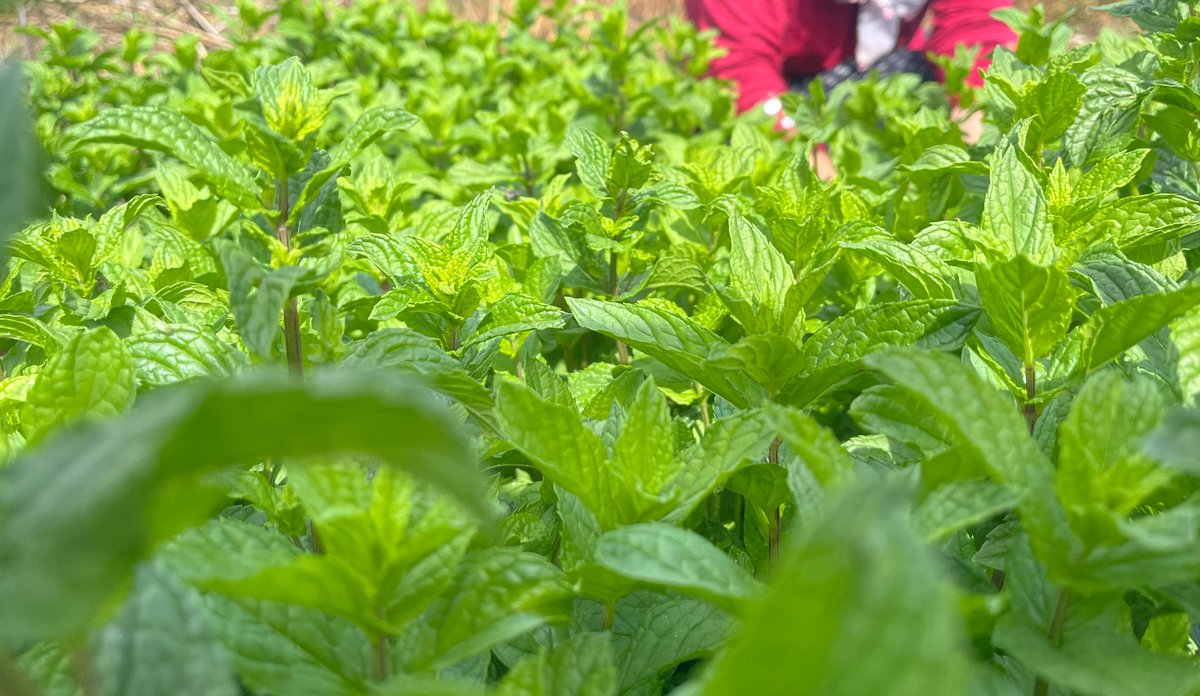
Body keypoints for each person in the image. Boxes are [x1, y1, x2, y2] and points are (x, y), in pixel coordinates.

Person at [686, 0, 1017, 130]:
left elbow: (974, 22)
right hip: (784, 82)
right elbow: (737, 65)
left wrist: (976, 103)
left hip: (881, 64)